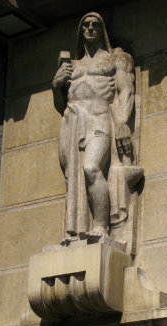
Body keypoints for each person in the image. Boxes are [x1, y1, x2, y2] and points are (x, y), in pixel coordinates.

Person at [52, 12, 135, 243]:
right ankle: (79, 231)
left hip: (99, 120)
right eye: (85, 25)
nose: (90, 28)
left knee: (91, 168)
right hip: (72, 123)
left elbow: (125, 91)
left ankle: (101, 225)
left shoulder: (115, 59)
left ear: (102, 30)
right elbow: (61, 105)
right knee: (74, 179)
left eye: (95, 25)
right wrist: (56, 86)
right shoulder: (72, 66)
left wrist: (122, 123)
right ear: (80, 31)